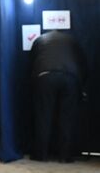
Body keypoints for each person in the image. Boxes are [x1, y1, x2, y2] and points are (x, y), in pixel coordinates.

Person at [30, 30, 87, 162]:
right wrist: (81, 85)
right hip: (70, 77)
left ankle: (41, 155)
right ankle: (65, 156)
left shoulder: (39, 39)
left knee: (43, 117)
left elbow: (32, 62)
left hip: (45, 75)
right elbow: (82, 62)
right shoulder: (72, 40)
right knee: (67, 118)